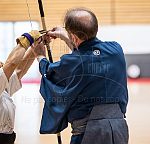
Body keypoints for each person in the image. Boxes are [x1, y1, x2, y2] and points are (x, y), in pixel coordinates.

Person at [34, 8, 129, 144]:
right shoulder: (116, 50)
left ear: (74, 37)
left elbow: (49, 72)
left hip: (90, 132)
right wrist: (67, 36)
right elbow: (89, 53)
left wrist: (40, 55)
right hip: (119, 130)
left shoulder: (73, 61)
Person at [0, 30, 42, 144]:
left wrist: (35, 48)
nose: (2, 63)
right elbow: (12, 64)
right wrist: (27, 38)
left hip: (6, 138)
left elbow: (19, 70)